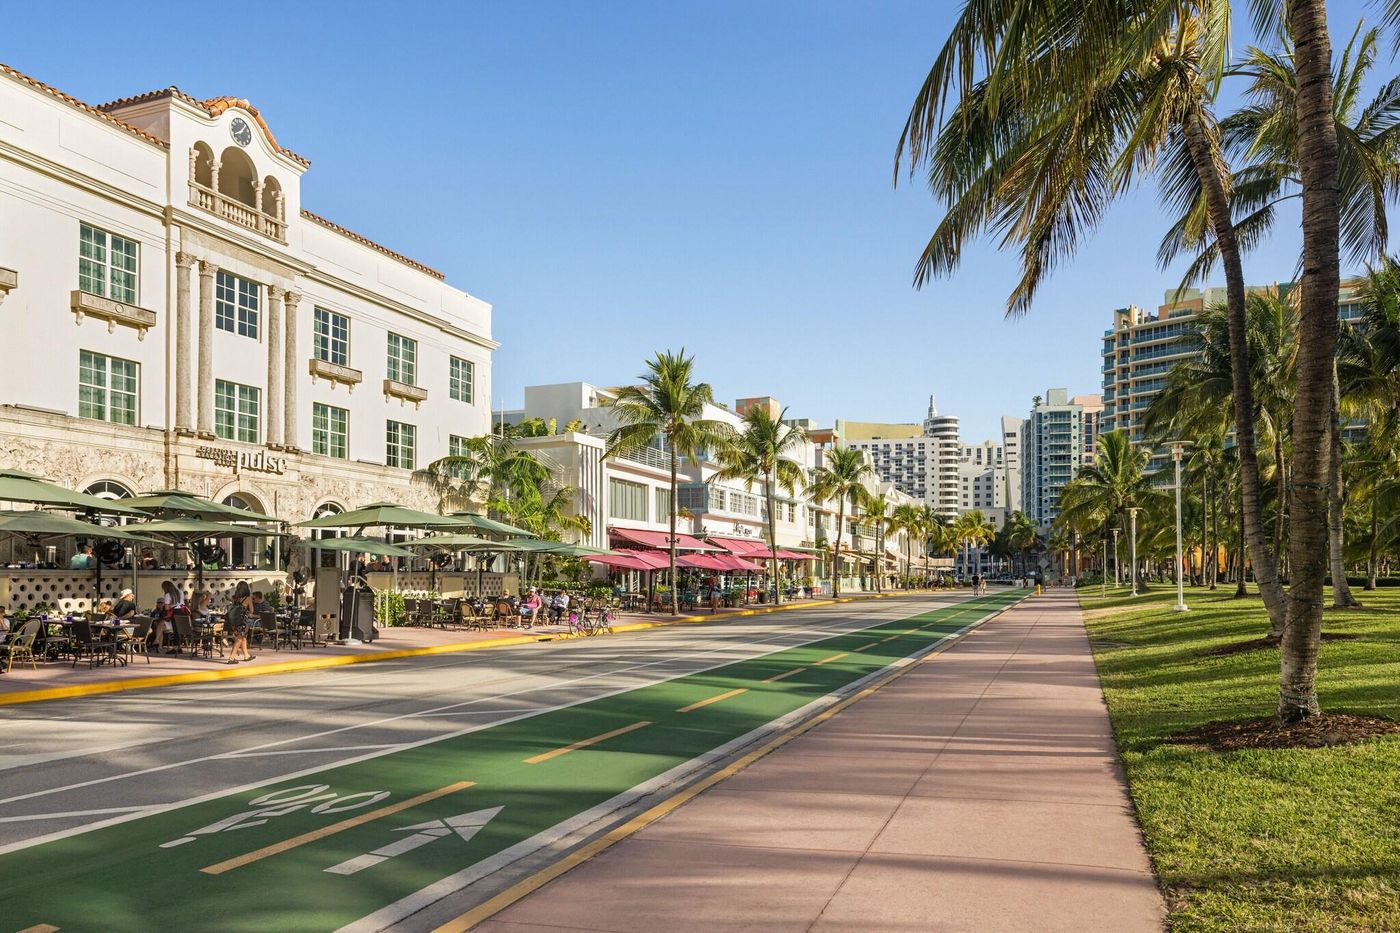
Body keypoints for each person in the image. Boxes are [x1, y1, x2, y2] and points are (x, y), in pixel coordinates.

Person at [226, 581, 253, 663]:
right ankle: (231, 658)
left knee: (242, 638)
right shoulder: (248, 598)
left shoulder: (235, 598)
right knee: (239, 639)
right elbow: (251, 611)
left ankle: (246, 655)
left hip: (233, 622)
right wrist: (246, 613)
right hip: (242, 622)